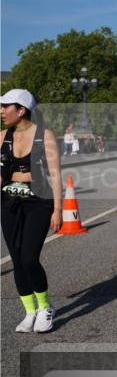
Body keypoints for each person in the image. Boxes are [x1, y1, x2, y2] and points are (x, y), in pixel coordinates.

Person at [1, 89, 63, 333]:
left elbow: (56, 175)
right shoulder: (1, 136)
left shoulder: (44, 136)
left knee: (29, 257)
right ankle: (30, 311)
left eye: (6, 106)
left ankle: (46, 307)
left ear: (21, 109)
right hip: (9, 201)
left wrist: (58, 209)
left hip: (39, 201)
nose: (1, 111)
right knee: (17, 259)